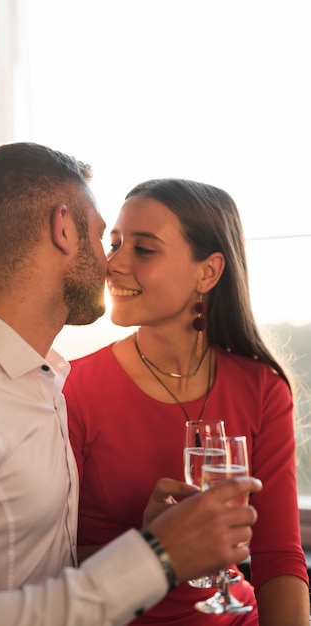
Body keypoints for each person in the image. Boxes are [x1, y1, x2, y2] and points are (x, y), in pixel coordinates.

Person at [0, 143, 262, 626]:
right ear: (63, 228)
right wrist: (157, 556)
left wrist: (148, 541)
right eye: (102, 235)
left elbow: (39, 574)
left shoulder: (44, 384)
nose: (111, 263)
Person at [64, 178, 310, 626]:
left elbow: (277, 557)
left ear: (208, 272)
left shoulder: (262, 388)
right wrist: (153, 545)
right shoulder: (74, 388)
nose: (113, 263)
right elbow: (48, 565)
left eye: (143, 249)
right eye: (114, 243)